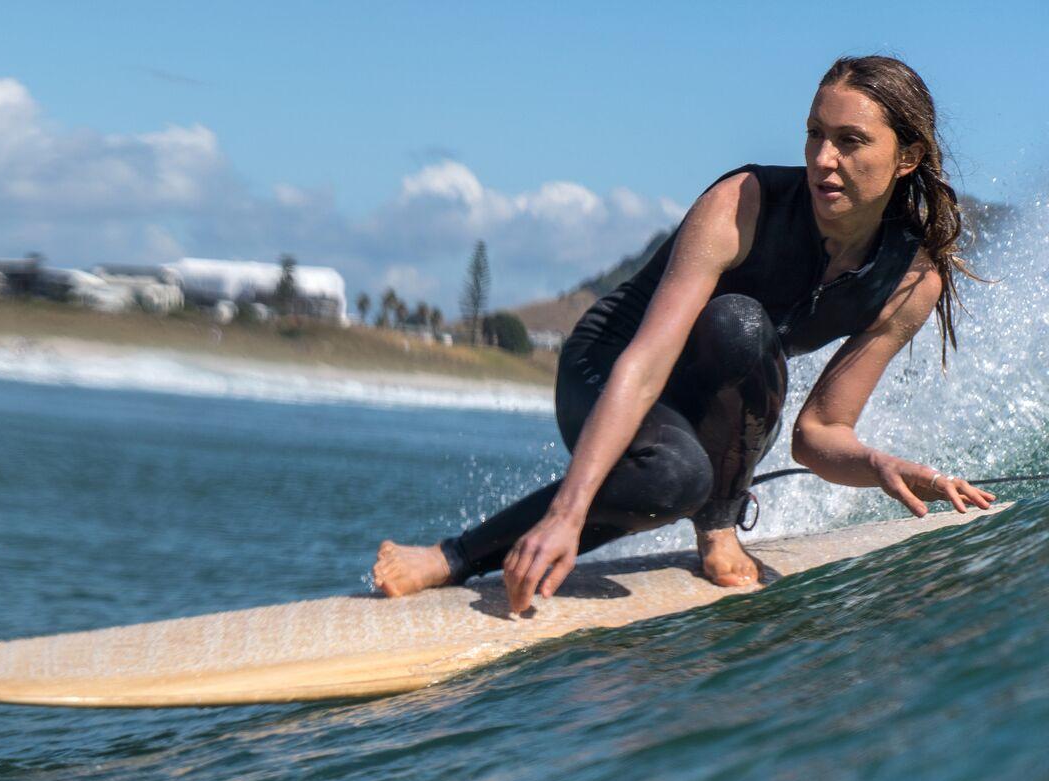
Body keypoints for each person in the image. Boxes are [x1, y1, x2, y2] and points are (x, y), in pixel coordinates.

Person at [373, 55, 993, 613]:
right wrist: (567, 512)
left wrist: (879, 464)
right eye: (815, 135)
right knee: (709, 396)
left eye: (850, 141)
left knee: (705, 423)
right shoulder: (743, 204)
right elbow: (644, 363)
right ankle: (452, 557)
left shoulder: (912, 281)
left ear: (906, 157)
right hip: (609, 364)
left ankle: (713, 512)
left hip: (704, 400)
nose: (823, 159)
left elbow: (818, 435)